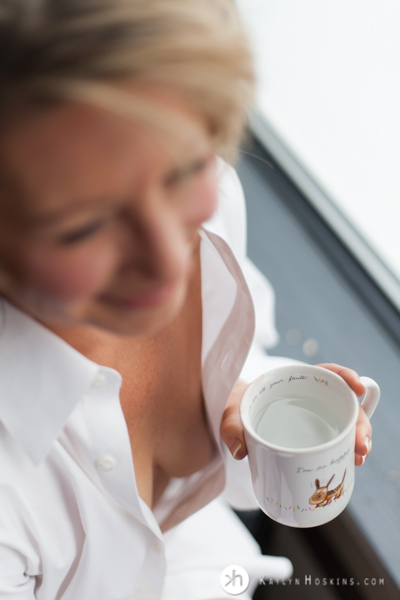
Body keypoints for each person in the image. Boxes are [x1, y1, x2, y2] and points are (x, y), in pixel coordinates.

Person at [0, 1, 372, 598]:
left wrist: (243, 404)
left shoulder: (213, 199)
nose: (170, 263)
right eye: (82, 228)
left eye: (183, 172)